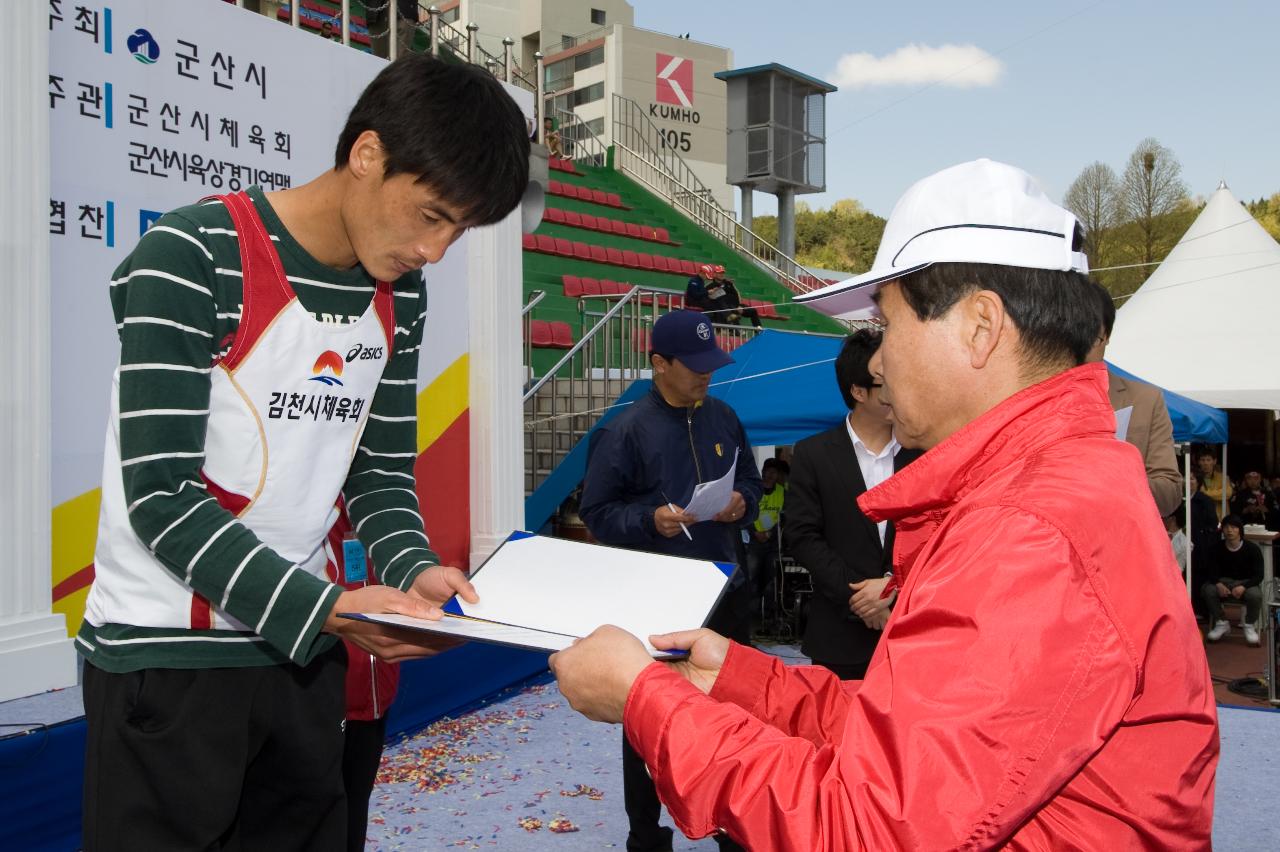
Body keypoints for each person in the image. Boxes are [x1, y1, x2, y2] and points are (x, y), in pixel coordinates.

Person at [550, 159, 1217, 849]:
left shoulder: (1028, 528)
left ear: (980, 326)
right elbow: (916, 736)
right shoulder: (1052, 484)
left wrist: (644, 700)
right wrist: (743, 681)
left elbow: (869, 826)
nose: (880, 360)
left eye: (887, 325)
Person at [78, 56, 530, 851]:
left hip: (305, 654)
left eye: (459, 230)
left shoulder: (399, 292)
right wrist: (325, 608)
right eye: (431, 215)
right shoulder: (191, 255)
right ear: (366, 155)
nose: (437, 250)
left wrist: (414, 572)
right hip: (167, 658)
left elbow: (379, 471)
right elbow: (160, 497)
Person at [578, 309, 762, 852]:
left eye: (713, 364)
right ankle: (645, 832)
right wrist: (649, 521)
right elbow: (597, 511)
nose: (707, 375)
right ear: (659, 364)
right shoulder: (626, 430)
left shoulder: (724, 417)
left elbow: (749, 480)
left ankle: (734, 823)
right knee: (649, 715)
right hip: (655, 599)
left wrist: (740, 504)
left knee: (733, 712)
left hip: (723, 591)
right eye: (695, 365)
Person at [789, 329, 921, 680]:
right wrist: (863, 601)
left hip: (912, 631)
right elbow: (802, 537)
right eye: (887, 384)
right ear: (858, 391)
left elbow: (936, 532)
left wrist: (892, 589)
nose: (900, 392)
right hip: (838, 636)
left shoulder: (923, 452)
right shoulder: (813, 454)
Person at [1086, 282, 1182, 516]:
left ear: (1106, 336)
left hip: (1120, 541)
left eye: (1093, 338)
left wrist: (1118, 482)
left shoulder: (1145, 400)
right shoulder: (1035, 395)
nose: (1082, 348)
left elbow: (1170, 491)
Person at [1202, 514, 1265, 645]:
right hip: (1223, 582)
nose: (1229, 530)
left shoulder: (1253, 549)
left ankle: (1249, 625)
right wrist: (1218, 584)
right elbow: (1210, 570)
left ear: (1240, 530)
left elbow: (1259, 575)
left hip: (1245, 583)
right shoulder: (1215, 548)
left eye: (1233, 527)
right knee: (1207, 590)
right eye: (1226, 527)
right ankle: (1221, 621)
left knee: (1255, 595)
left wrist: (1244, 586)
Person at [745, 458, 787, 614]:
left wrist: (770, 533)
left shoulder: (783, 492)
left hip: (773, 543)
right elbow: (745, 512)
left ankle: (769, 614)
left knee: (772, 579)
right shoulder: (754, 490)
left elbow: (785, 518)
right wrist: (755, 531)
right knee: (751, 576)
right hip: (754, 541)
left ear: (777, 475)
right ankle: (752, 613)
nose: (769, 475)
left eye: (773, 472)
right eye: (766, 471)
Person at [1196, 447, 1233, 520]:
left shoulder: (1223, 477)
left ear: (1214, 461)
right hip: (1201, 517)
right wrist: (1216, 493)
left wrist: (1205, 493)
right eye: (1203, 460)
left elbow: (1228, 493)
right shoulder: (1195, 478)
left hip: (1220, 517)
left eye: (1208, 460)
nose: (1206, 463)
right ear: (1199, 462)